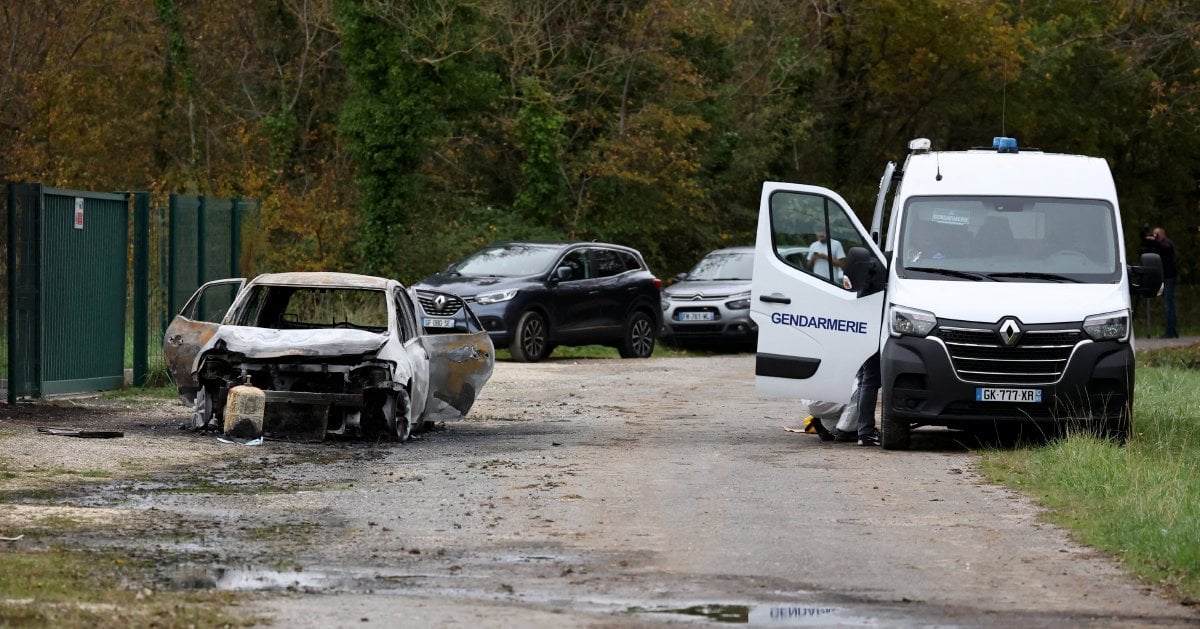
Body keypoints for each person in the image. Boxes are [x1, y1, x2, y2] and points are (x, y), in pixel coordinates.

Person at [1145, 226, 1178, 338]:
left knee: (1168, 304)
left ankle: (1171, 331)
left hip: (1170, 277)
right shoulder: (1159, 245)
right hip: (1165, 276)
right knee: (1168, 304)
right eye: (1154, 234)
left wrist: (1155, 241)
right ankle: (1172, 330)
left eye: (1157, 234)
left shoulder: (1167, 243)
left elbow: (1166, 248)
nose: (1155, 236)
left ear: (1162, 234)